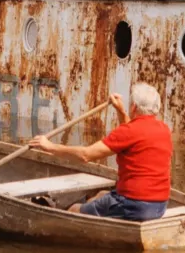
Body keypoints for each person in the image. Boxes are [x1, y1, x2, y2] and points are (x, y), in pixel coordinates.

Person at [28, 82, 172, 222]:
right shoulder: (164, 130)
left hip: (133, 205)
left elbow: (86, 155)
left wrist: (49, 146)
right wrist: (120, 111)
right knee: (102, 194)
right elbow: (134, 134)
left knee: (74, 209)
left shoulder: (129, 132)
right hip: (159, 206)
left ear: (133, 107)